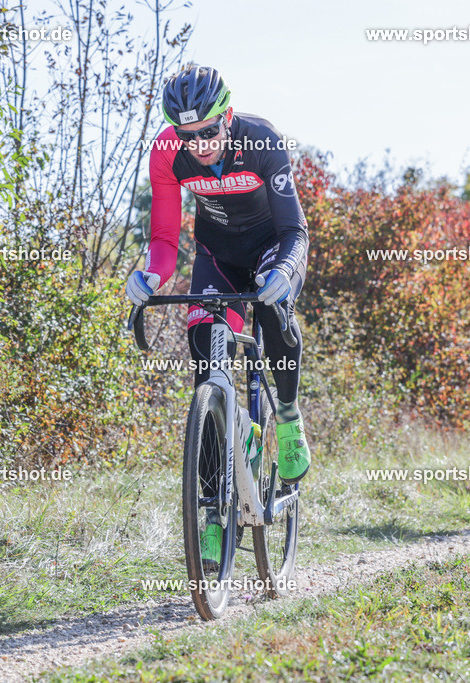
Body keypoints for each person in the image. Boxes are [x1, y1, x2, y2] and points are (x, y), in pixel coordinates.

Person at [125, 65, 310, 565]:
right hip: (218, 258)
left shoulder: (262, 140)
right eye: (189, 136)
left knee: (272, 315)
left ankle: (289, 418)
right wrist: (150, 277)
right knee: (206, 359)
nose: (200, 143)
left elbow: (294, 230)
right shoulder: (167, 153)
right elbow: (164, 240)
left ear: (226, 117)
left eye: (209, 131)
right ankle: (212, 512)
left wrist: (284, 273)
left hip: (275, 247)